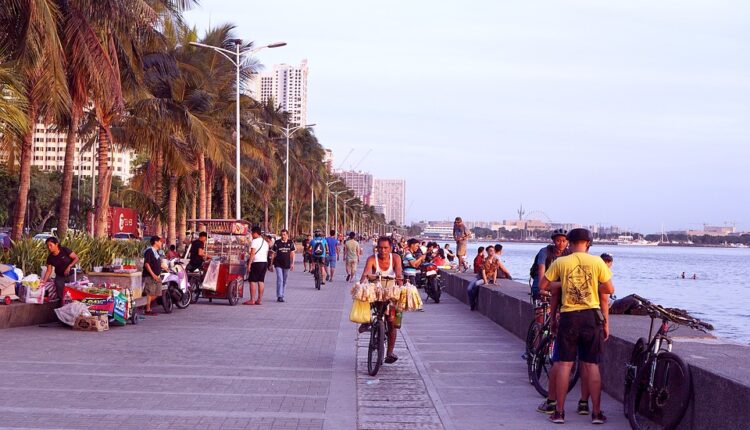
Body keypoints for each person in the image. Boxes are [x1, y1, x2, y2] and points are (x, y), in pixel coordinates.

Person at [539, 228, 614, 425]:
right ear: (588, 244)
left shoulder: (561, 262)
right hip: (591, 317)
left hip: (569, 316)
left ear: (570, 243)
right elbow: (609, 289)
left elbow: (543, 286)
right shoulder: (597, 262)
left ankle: (559, 412)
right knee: (592, 366)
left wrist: (564, 284)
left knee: (564, 364)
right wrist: (590, 287)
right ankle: (596, 413)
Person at [359, 236, 404, 364]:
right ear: (376, 248)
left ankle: (389, 352)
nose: (383, 251)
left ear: (390, 248)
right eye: (380, 248)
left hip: (391, 292)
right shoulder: (372, 259)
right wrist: (361, 284)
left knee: (392, 322)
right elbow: (366, 273)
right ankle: (366, 321)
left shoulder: (395, 258)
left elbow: (399, 274)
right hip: (377, 292)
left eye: (386, 248)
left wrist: (401, 287)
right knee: (365, 297)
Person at [530, 229, 570, 301]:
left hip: (557, 278)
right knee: (537, 292)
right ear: (554, 241)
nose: (561, 244)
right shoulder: (545, 251)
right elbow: (541, 268)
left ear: (568, 242)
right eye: (558, 241)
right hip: (542, 276)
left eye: (564, 241)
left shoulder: (569, 253)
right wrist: (541, 288)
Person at [41, 237, 79, 306]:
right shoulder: (50, 257)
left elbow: (76, 258)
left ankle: (74, 306)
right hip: (60, 276)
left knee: (72, 292)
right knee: (60, 292)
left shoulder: (64, 250)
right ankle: (62, 306)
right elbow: (49, 271)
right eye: (48, 246)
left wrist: (69, 266)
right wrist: (44, 281)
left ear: (56, 244)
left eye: (51, 245)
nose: (49, 247)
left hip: (70, 274)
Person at [466, 246, 499, 310]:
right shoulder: (484, 260)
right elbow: (483, 272)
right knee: (469, 289)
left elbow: (495, 271)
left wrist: (494, 281)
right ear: (487, 252)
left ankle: (473, 303)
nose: (492, 252)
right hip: (480, 276)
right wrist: (486, 282)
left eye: (493, 250)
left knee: (476, 284)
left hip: (488, 278)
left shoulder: (496, 261)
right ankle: (472, 302)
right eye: (490, 251)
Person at [243, 226, 269, 305]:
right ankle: (259, 299)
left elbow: (252, 253)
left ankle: (252, 300)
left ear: (255, 233)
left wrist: (249, 264)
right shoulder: (265, 242)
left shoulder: (255, 241)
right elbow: (267, 253)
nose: (251, 235)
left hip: (256, 263)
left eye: (252, 233)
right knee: (261, 281)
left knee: (252, 281)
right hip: (264, 262)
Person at [270, 229, 295, 303]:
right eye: (282, 234)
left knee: (284, 280)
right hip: (278, 264)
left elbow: (292, 253)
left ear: (287, 234)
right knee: (280, 279)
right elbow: (273, 254)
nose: (283, 236)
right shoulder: (277, 243)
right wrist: (271, 264)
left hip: (287, 264)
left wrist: (292, 263)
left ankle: (282, 294)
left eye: (284, 234)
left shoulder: (290, 243)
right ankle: (279, 296)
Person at [141, 235, 163, 316]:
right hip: (150, 276)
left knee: (157, 293)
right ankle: (147, 309)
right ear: (156, 242)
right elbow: (147, 264)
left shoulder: (156, 252)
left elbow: (157, 263)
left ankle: (143, 305)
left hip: (157, 276)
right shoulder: (149, 251)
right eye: (160, 241)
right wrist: (153, 274)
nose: (161, 243)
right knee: (149, 292)